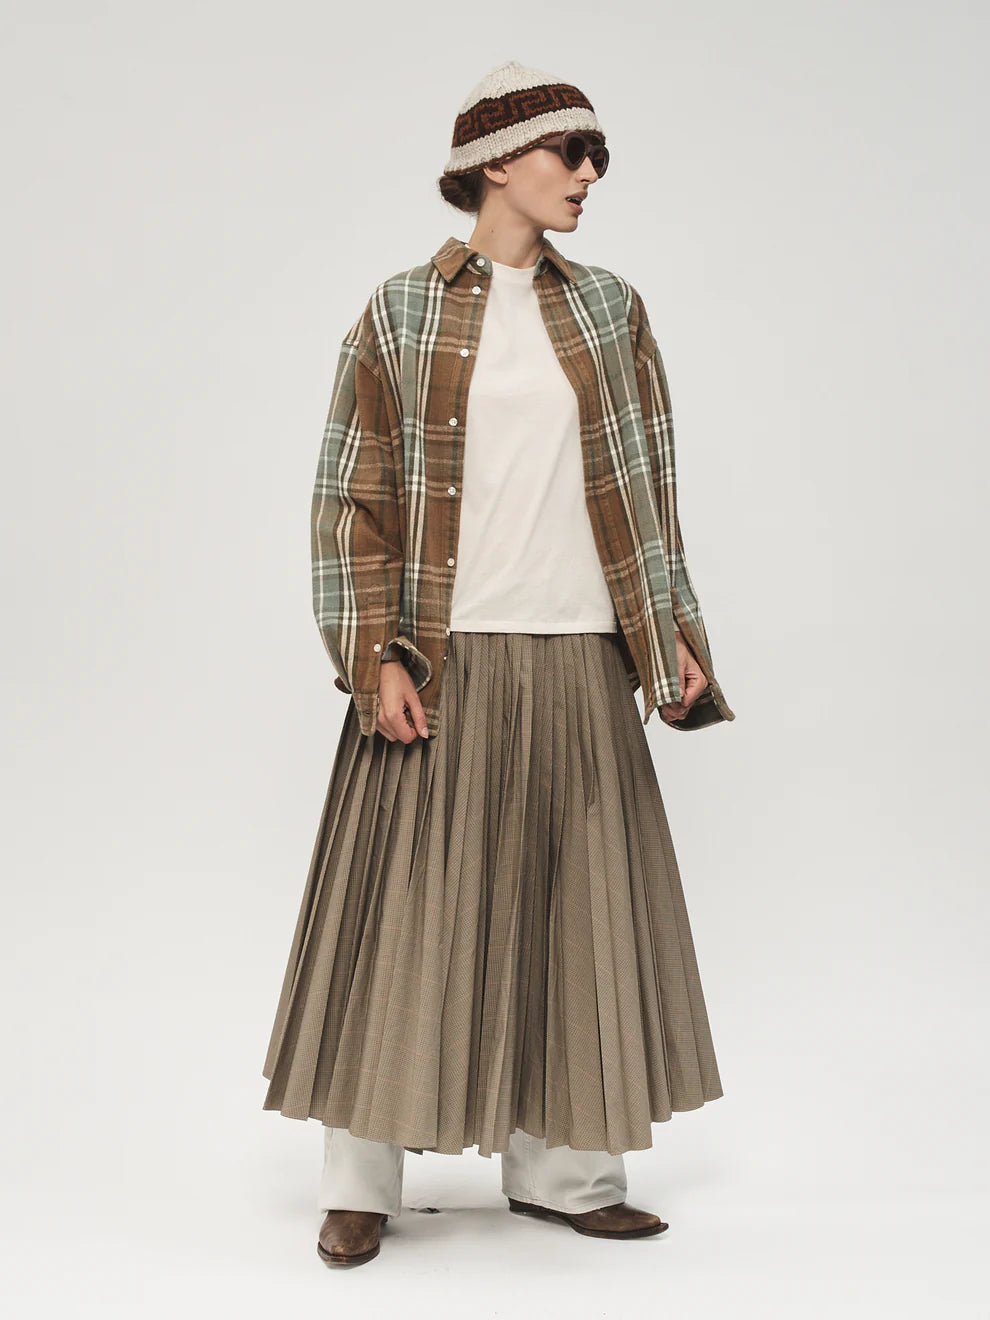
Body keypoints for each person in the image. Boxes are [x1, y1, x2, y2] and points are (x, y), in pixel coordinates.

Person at [261, 58, 735, 1270]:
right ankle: (360, 1182)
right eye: (571, 152)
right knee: (401, 920)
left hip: (581, 651)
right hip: (444, 654)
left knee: (576, 918)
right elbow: (349, 501)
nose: (589, 174)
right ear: (495, 164)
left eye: (598, 157)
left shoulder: (613, 310)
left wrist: (674, 630)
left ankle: (571, 1179)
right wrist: (371, 656)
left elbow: (652, 491)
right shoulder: (400, 313)